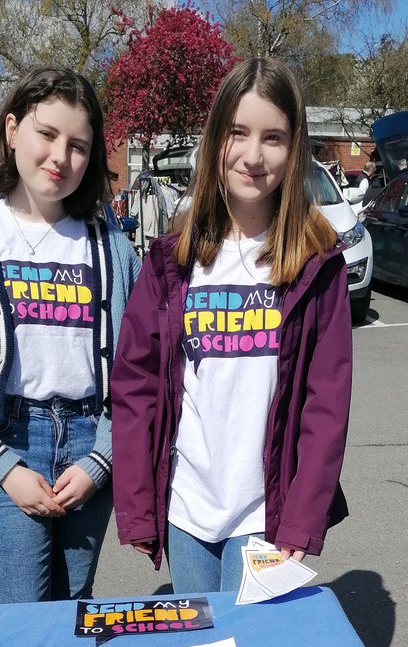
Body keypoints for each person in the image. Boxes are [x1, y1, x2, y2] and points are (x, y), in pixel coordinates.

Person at [111, 57, 351, 593]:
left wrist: (303, 518)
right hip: (187, 509)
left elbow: (326, 404)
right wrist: (138, 501)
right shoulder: (172, 259)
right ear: (216, 138)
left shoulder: (316, 263)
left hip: (267, 515)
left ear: (294, 151)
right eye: (238, 133)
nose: (252, 155)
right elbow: (135, 384)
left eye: (273, 137)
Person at [0, 66, 140, 604]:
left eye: (79, 146)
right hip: (10, 442)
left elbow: (139, 369)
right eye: (47, 134)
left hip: (90, 444)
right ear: (13, 129)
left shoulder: (111, 250)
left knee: (75, 605)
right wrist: (0, 464)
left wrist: (102, 460)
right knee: (18, 613)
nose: (61, 158)